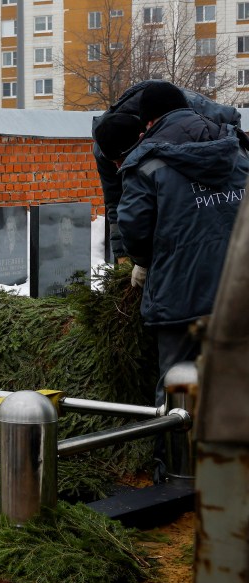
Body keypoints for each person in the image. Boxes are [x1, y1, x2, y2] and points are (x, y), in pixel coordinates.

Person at [116, 81, 249, 479]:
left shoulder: (147, 160)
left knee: (177, 384)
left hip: (180, 293)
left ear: (150, 120)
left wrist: (141, 261)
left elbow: (134, 227)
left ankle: (178, 473)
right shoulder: (236, 148)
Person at [91, 80, 246, 263]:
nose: (119, 168)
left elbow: (231, 126)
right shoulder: (104, 147)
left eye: (123, 161)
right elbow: (115, 202)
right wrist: (123, 257)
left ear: (143, 137)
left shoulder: (197, 114)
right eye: (115, 163)